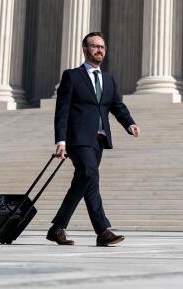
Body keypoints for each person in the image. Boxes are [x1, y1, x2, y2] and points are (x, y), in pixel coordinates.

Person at [47, 31, 139, 247]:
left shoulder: (108, 80)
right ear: (85, 49)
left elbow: (116, 105)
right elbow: (62, 111)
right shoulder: (72, 76)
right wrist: (61, 141)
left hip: (99, 140)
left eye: (102, 47)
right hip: (77, 139)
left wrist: (129, 123)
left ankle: (57, 228)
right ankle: (102, 230)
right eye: (95, 46)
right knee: (89, 174)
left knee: (86, 180)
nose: (99, 50)